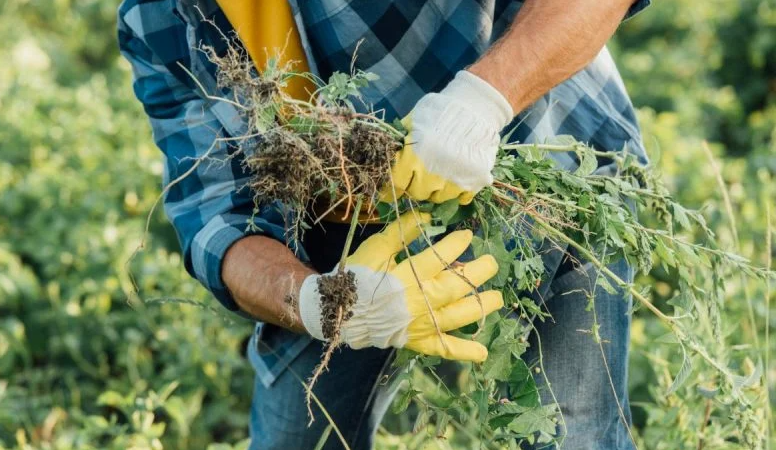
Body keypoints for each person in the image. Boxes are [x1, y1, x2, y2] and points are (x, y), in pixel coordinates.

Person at [118, 0, 650, 448]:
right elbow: (217, 218)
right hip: (339, 227)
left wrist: (480, 103)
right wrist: (321, 303)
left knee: (571, 430)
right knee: (298, 433)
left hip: (540, 150)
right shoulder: (160, 15)